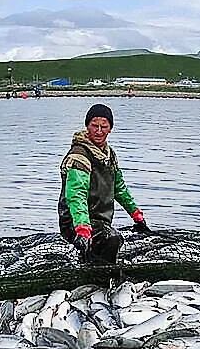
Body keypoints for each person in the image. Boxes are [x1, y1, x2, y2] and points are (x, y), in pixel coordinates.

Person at [58, 103, 151, 265]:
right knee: (112, 238)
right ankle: (98, 279)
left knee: (110, 238)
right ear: (87, 126)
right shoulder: (79, 156)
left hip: (100, 222)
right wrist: (82, 228)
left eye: (104, 126)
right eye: (94, 125)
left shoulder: (109, 155)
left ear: (110, 129)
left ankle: (97, 272)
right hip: (75, 222)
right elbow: (76, 195)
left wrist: (136, 214)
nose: (99, 131)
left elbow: (119, 188)